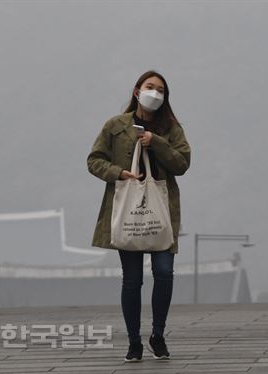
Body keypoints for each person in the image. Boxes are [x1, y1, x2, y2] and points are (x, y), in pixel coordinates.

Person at [87, 70, 191, 362]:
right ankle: (134, 341)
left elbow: (182, 163)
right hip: (128, 208)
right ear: (136, 91)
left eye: (160, 90)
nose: (154, 93)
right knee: (132, 280)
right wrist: (118, 173)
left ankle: (157, 335)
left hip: (161, 210)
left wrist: (155, 142)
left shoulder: (171, 128)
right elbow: (94, 160)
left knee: (164, 272)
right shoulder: (115, 126)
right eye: (149, 87)